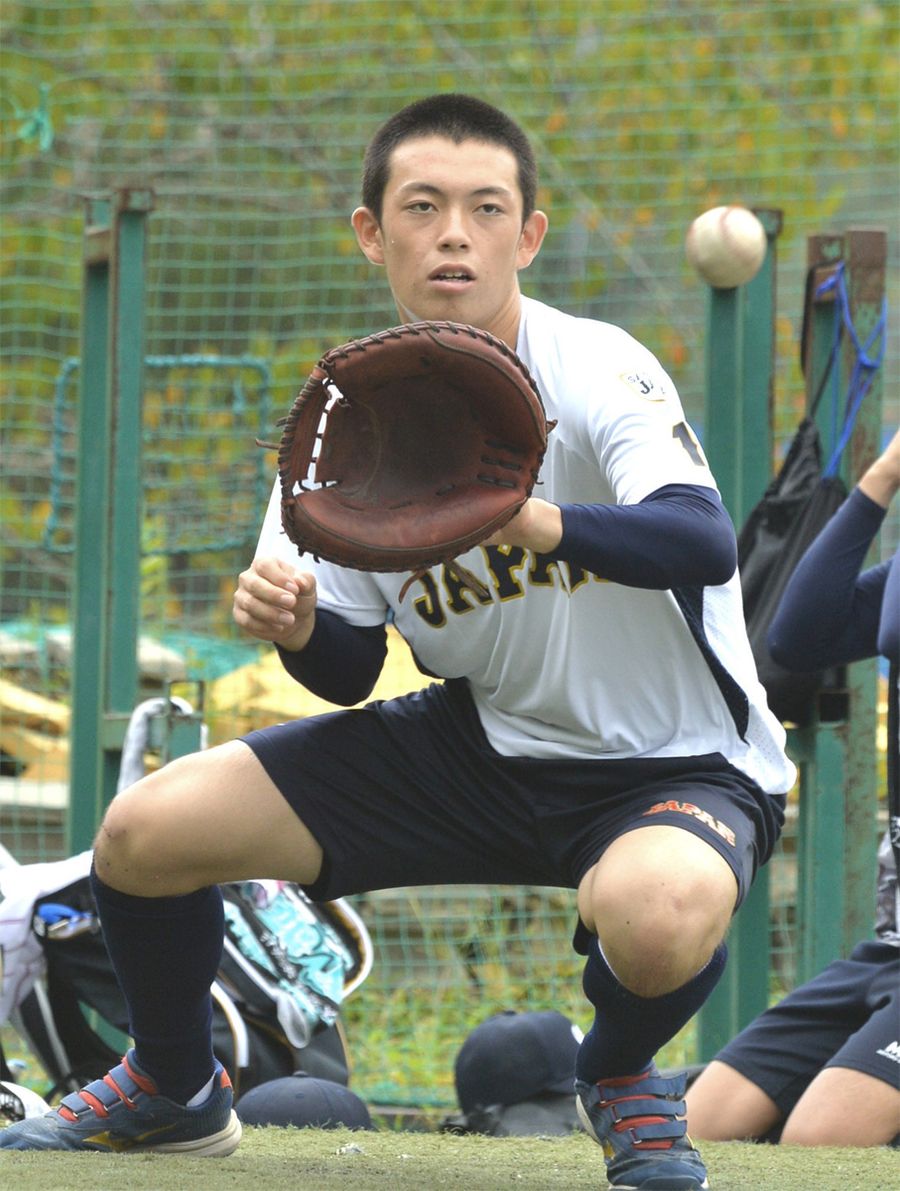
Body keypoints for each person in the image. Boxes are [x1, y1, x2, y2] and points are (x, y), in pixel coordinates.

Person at [0, 93, 795, 1189]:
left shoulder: (597, 367)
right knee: (141, 834)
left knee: (659, 915)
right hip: (480, 745)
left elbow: (700, 540)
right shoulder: (345, 422)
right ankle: (174, 1090)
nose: (454, 232)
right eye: (422, 207)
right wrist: (293, 625)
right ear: (373, 233)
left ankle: (616, 1079)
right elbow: (351, 668)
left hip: (677, 760)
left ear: (530, 236)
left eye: (485, 207)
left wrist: (532, 519)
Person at [686, 428, 900, 1148]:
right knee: (702, 1121)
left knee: (822, 1139)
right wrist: (881, 478)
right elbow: (798, 635)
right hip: (891, 946)